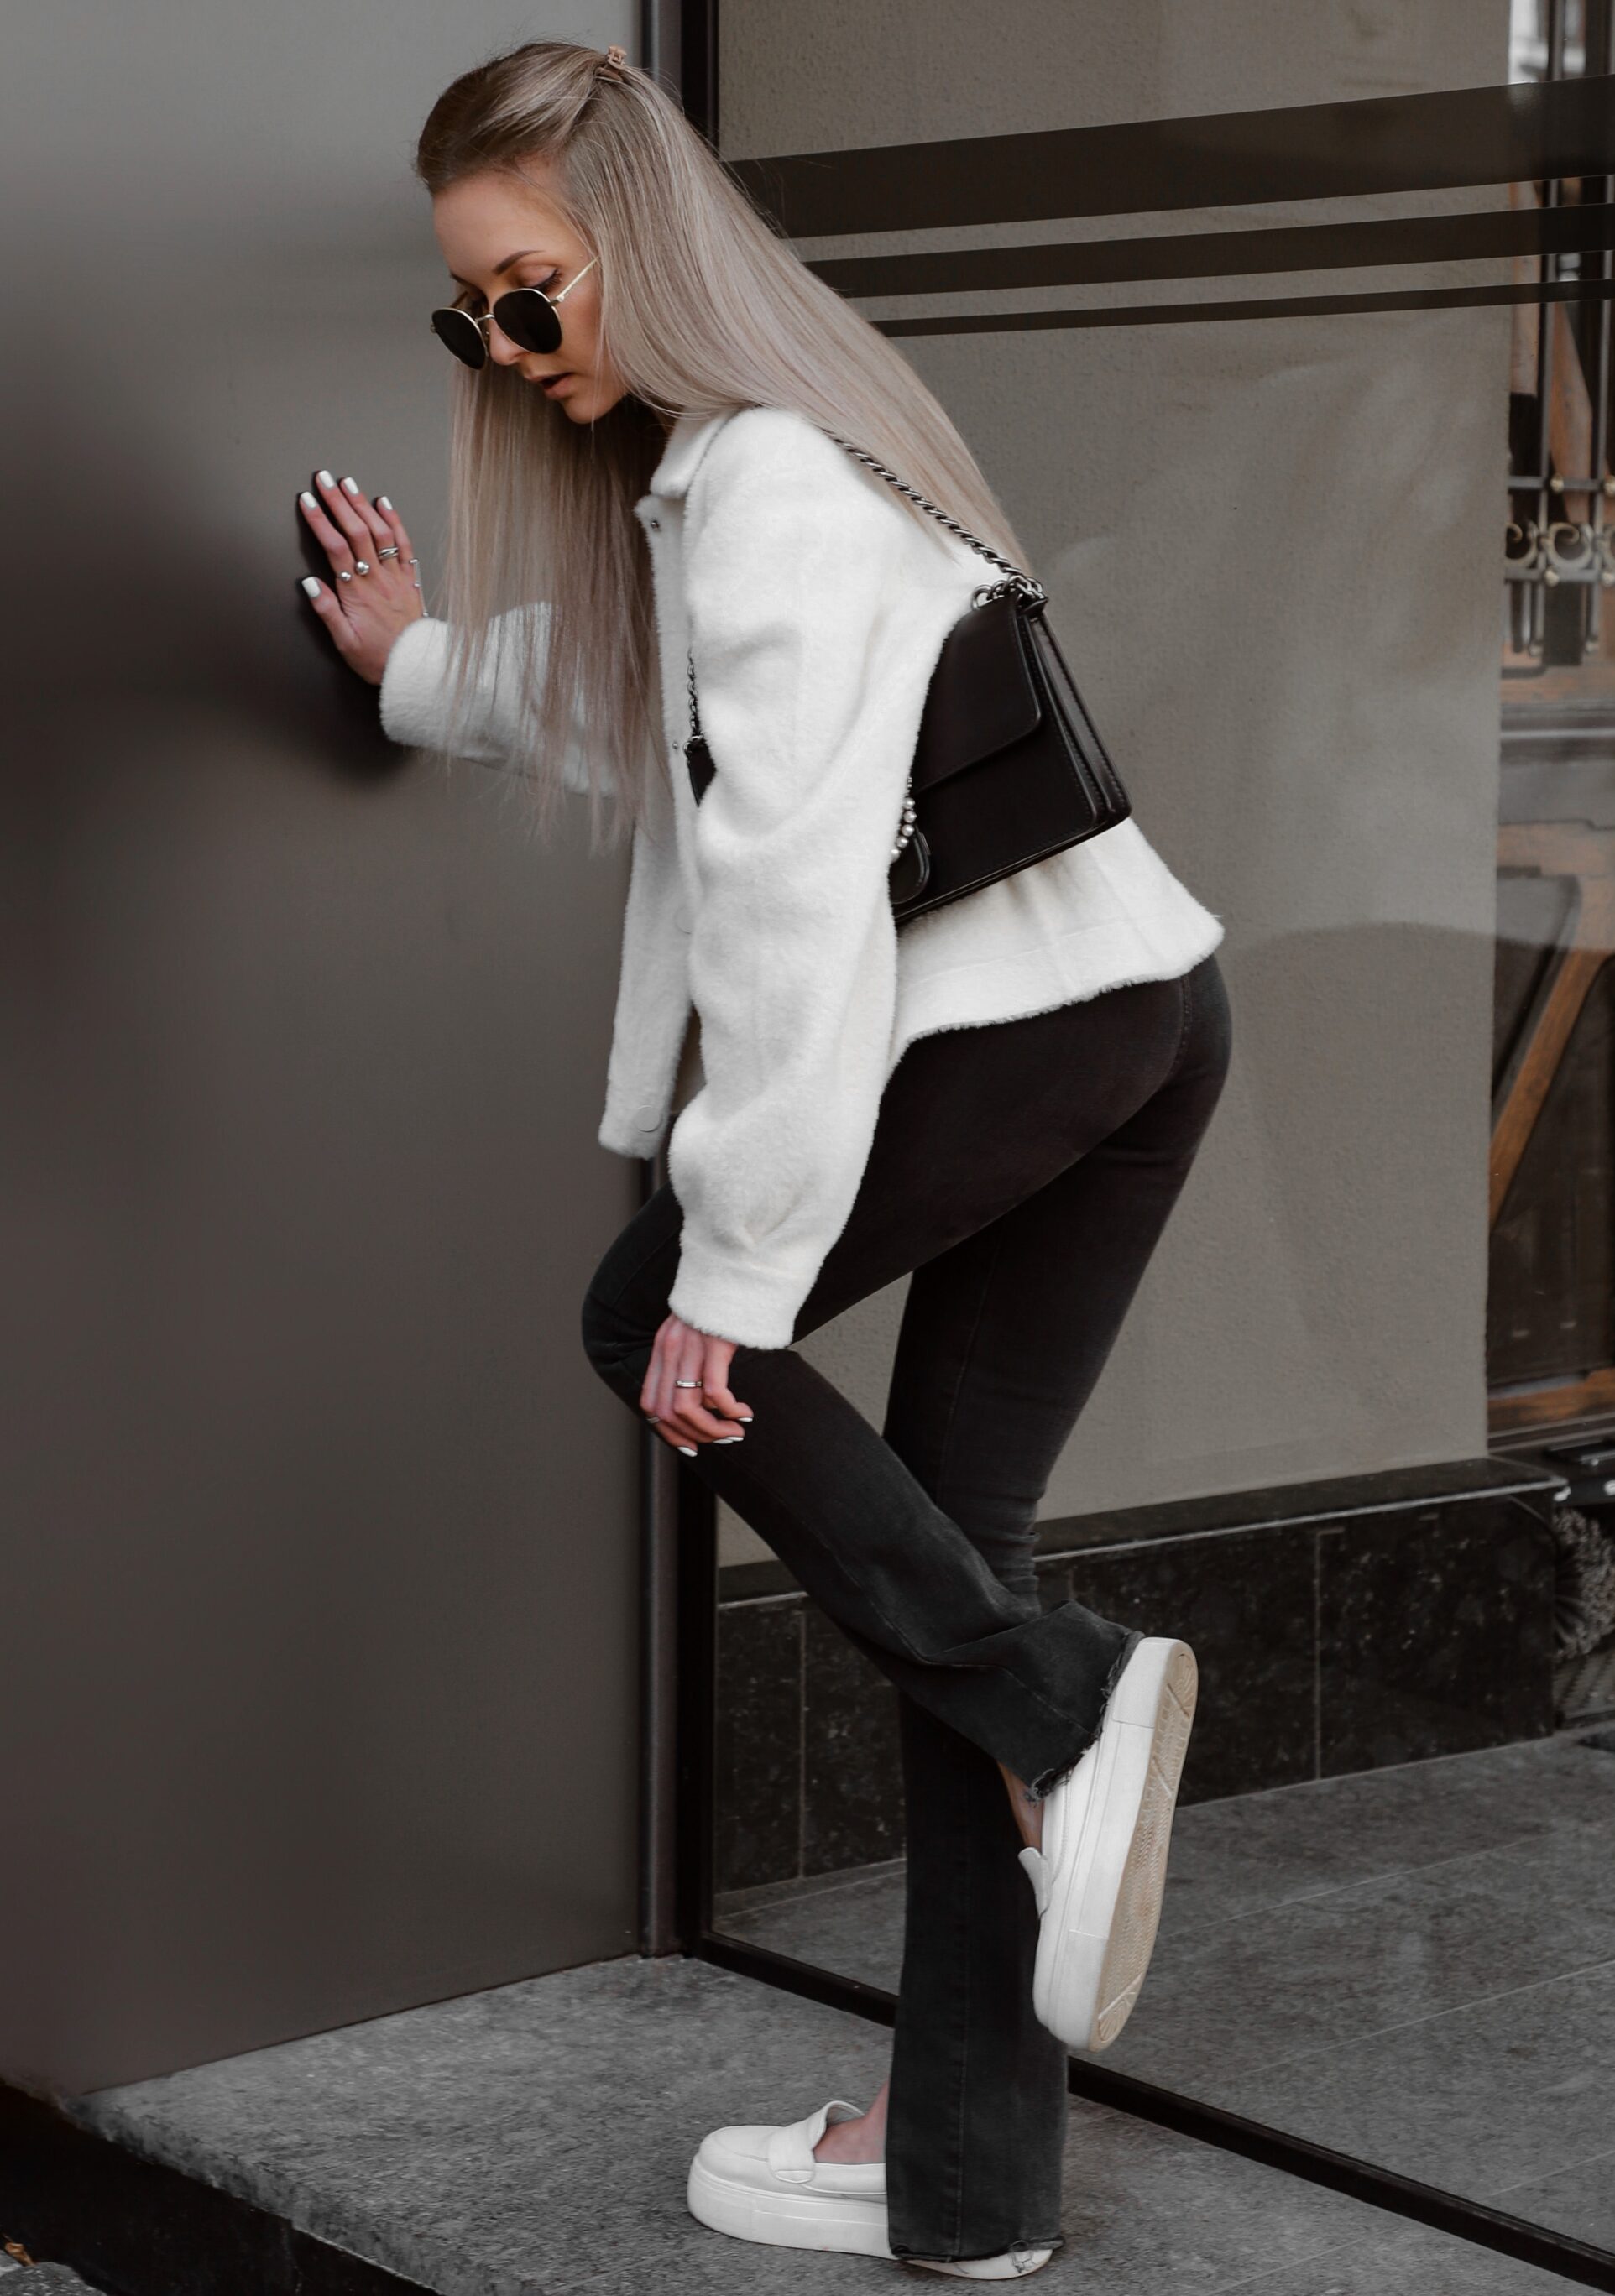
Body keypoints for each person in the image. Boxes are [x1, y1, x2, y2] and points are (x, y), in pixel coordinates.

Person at [292, 38, 1231, 2282]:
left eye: (533, 295)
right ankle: (966, 2184)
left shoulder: (778, 485)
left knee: (651, 1315)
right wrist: (413, 658)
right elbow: (632, 704)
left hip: (1046, 1030)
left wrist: (731, 1252)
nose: (515, 352)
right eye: (475, 321)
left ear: (647, 242)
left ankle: (1068, 1704)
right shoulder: (745, 480)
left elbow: (798, 903)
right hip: (1125, 1020)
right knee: (947, 1561)